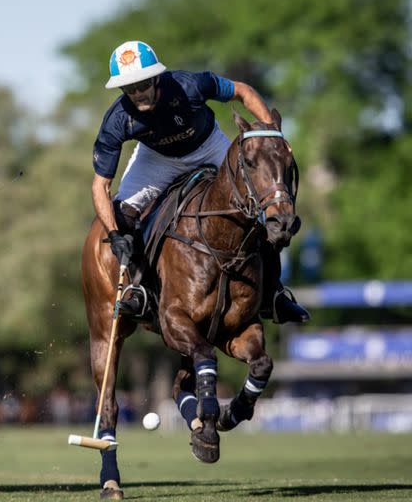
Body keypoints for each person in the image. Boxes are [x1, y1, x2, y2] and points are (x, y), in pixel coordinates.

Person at [92, 40, 309, 324]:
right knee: (123, 215)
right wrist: (115, 234)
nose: (137, 93)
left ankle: (274, 293)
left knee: (258, 204)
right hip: (156, 157)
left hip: (207, 145)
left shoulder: (191, 85)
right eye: (129, 89)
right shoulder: (118, 119)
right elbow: (100, 186)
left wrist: (272, 133)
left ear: (156, 78)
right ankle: (140, 290)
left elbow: (242, 91)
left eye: (142, 85)